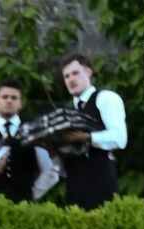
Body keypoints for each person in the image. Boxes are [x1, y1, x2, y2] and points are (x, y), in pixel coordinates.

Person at [0, 79, 59, 203]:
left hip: (24, 206)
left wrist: (31, 195)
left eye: (14, 98)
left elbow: (51, 172)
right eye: (5, 97)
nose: (9, 101)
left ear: (20, 103)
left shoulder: (33, 133)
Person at [54, 51, 126, 209]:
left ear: (88, 72)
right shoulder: (66, 112)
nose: (71, 79)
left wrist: (87, 137)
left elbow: (120, 138)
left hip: (101, 184)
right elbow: (62, 170)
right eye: (66, 76)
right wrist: (53, 151)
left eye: (75, 73)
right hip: (74, 189)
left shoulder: (105, 98)